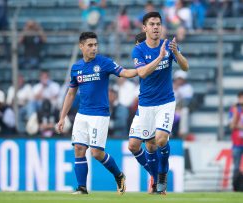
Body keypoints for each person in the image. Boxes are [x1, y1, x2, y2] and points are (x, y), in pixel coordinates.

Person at [56, 32, 137, 195]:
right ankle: (82, 188)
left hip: (99, 114)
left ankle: (119, 175)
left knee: (96, 153)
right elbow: (71, 94)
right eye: (90, 45)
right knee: (79, 148)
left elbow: (125, 72)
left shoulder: (104, 63)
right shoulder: (76, 67)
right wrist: (62, 117)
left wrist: (142, 69)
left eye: (95, 45)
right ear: (81, 46)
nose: (94, 48)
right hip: (82, 114)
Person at [128, 12, 189, 194]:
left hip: (166, 102)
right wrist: (159, 57)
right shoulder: (138, 50)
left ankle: (162, 176)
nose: (156, 27)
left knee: (161, 139)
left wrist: (176, 52)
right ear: (145, 28)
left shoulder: (168, 46)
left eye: (158, 24)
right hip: (146, 104)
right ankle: (154, 179)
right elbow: (143, 73)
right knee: (148, 146)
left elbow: (185, 67)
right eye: (152, 24)